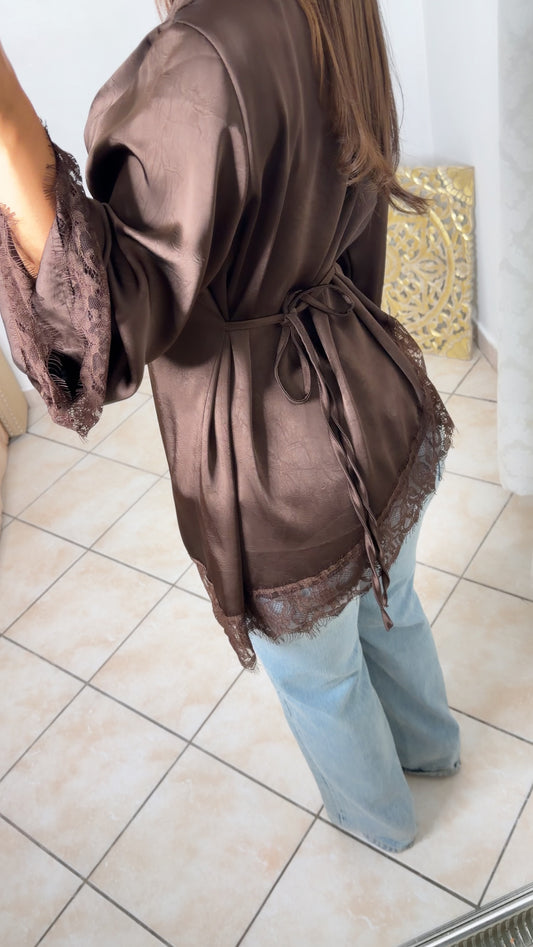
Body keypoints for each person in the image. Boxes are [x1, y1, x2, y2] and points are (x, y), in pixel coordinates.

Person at [0, 0, 460, 853]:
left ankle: (383, 826)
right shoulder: (332, 8)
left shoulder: (199, 58)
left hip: (276, 461)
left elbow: (106, 329)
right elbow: (356, 221)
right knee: (391, 602)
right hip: (374, 387)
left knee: (322, 679)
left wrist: (7, 125)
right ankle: (434, 750)